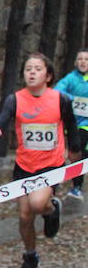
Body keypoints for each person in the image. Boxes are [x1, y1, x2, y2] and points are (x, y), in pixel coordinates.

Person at [0, 53, 80, 268]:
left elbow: (71, 126)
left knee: (38, 204)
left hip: (50, 165)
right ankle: (30, 255)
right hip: (24, 166)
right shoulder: (15, 99)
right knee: (25, 216)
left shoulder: (60, 100)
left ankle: (50, 209)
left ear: (48, 76)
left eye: (37, 69)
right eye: (28, 69)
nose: (32, 73)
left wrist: (74, 152)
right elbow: (3, 119)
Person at [52, 48, 88, 200]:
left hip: (86, 124)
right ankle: (72, 185)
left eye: (86, 60)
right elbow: (57, 90)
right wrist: (72, 98)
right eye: (80, 59)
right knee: (74, 153)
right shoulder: (71, 78)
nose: (83, 62)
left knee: (82, 154)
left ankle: (77, 185)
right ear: (75, 62)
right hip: (73, 123)